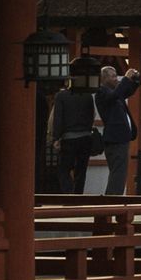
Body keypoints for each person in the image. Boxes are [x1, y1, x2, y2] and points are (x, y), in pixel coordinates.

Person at [44, 59, 104, 194]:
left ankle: (68, 193)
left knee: (63, 169)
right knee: (81, 170)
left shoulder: (61, 96)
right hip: (85, 137)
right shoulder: (88, 96)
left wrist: (55, 137)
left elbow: (58, 118)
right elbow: (91, 116)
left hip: (68, 138)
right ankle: (78, 195)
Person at [95, 59, 141, 195]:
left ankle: (114, 198)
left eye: (116, 75)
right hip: (115, 138)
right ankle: (113, 199)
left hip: (120, 137)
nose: (116, 78)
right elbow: (116, 94)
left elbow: (126, 91)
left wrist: (135, 81)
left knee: (120, 172)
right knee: (118, 172)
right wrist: (126, 78)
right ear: (103, 78)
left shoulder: (114, 93)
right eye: (113, 76)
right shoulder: (102, 92)